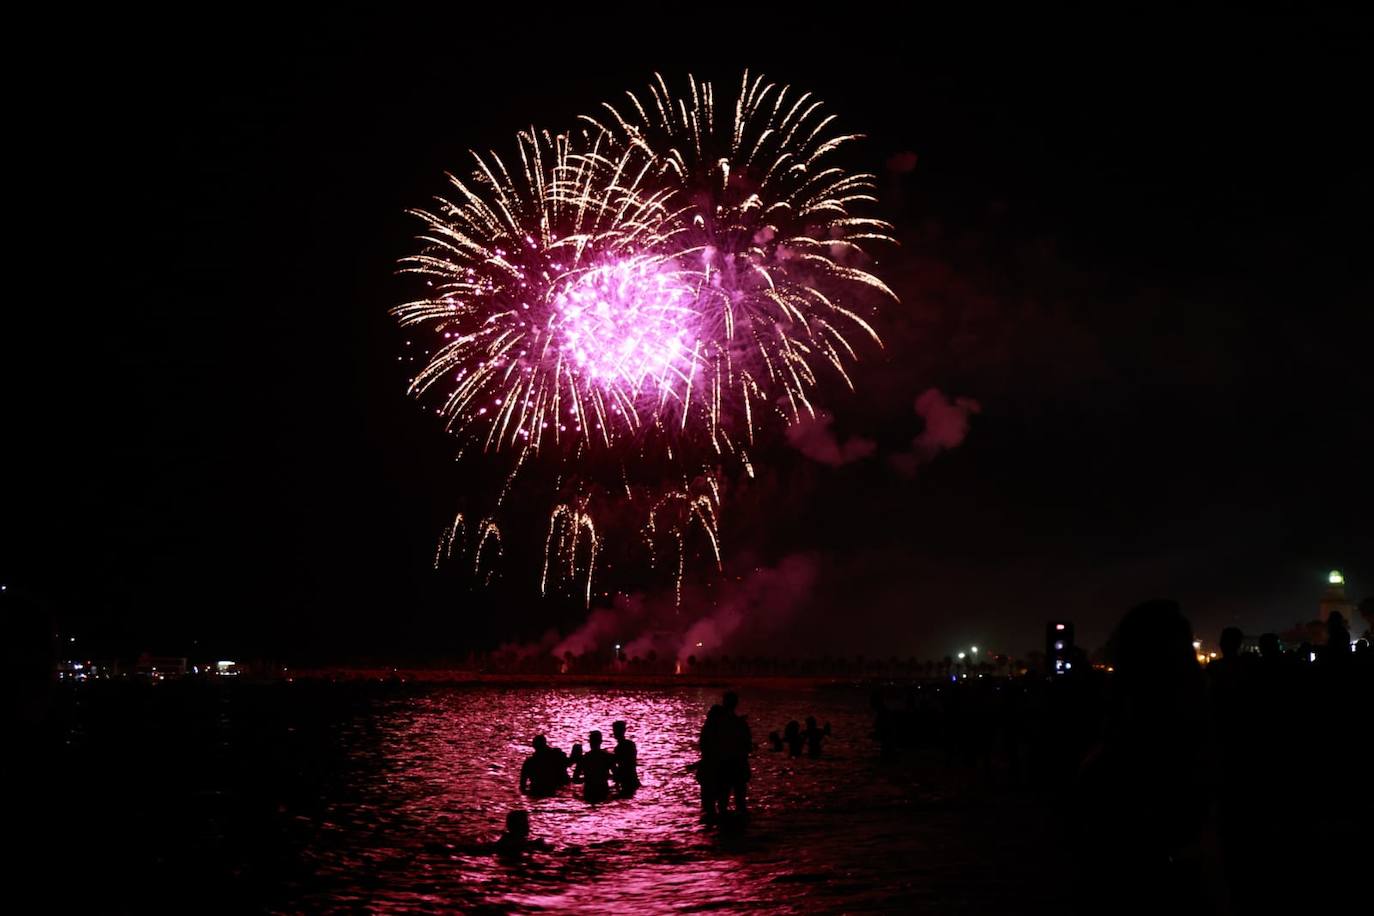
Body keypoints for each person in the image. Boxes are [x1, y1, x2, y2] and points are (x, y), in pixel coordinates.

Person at [580, 730, 615, 803]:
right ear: (601, 741)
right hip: (603, 788)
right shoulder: (607, 756)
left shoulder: (584, 757)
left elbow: (575, 779)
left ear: (590, 742)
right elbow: (616, 774)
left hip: (589, 789)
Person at [611, 720, 640, 794]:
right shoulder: (630, 744)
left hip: (626, 780)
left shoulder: (619, 747)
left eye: (615, 730)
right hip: (633, 778)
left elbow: (620, 764)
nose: (614, 733)